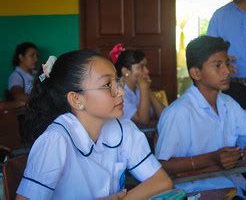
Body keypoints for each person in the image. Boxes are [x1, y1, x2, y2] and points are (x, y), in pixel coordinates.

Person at [16, 50, 172, 199]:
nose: (121, 92)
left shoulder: (124, 129)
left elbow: (162, 181)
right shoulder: (55, 140)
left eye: (116, 81)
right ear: (76, 100)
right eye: (107, 85)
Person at [155, 36, 246, 199]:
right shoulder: (179, 112)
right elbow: (162, 166)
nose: (227, 70)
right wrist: (211, 159)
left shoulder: (228, 104)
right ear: (196, 73)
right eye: (218, 65)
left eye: (227, 63)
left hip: (235, 185)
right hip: (198, 191)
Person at [109, 43, 166, 125]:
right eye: (141, 67)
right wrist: (144, 88)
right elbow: (143, 120)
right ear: (126, 71)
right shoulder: (119, 94)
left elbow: (165, 116)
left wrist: (147, 90)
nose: (147, 71)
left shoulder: (139, 89)